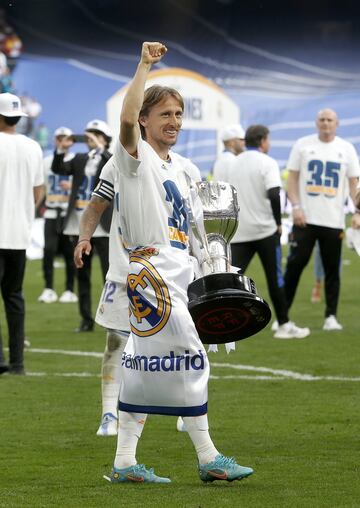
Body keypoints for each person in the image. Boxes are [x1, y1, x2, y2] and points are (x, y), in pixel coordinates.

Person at [100, 41, 253, 485]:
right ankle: (209, 458)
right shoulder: (133, 157)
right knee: (188, 357)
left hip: (176, 268)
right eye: (164, 114)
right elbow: (125, 120)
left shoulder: (181, 167)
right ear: (146, 120)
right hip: (150, 268)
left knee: (143, 367)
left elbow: (195, 230)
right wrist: (144, 66)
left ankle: (125, 463)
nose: (174, 122)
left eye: (179, 115)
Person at [227, 124, 310, 339]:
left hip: (240, 231)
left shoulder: (233, 164)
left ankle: (224, 325)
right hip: (264, 230)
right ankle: (284, 325)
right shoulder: (268, 162)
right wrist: (278, 222)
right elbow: (274, 193)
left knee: (230, 279)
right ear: (263, 140)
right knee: (276, 280)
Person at [284, 108, 360, 330]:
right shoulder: (303, 144)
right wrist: (296, 207)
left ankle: (331, 317)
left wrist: (357, 212)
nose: (326, 123)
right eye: (322, 120)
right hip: (305, 219)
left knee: (332, 271)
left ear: (337, 123)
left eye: (330, 120)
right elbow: (293, 179)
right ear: (316, 123)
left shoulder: (346, 149)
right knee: (295, 266)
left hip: (333, 220)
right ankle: (283, 314)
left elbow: (354, 184)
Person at [51, 120, 113, 332]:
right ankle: (86, 319)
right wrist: (62, 148)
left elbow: (114, 163)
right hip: (79, 223)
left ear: (105, 139)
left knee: (109, 274)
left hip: (103, 226)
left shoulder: (110, 159)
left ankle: (111, 318)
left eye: (97, 134)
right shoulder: (79, 158)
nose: (91, 139)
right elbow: (59, 168)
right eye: (90, 135)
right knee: (82, 274)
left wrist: (101, 148)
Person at [0, 92, 43, 374]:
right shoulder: (33, 147)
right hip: (19, 233)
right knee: (14, 297)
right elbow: (38, 191)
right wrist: (25, 213)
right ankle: (17, 363)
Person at [38, 127, 78, 304]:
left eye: (65, 138)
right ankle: (48, 288)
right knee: (48, 251)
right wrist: (36, 206)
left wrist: (73, 189)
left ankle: (69, 290)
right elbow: (42, 186)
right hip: (52, 211)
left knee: (70, 253)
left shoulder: (77, 160)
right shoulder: (46, 162)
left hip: (70, 213)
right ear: (55, 140)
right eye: (59, 138)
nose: (62, 141)